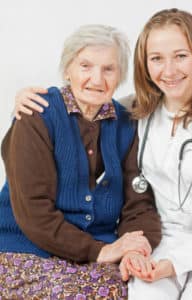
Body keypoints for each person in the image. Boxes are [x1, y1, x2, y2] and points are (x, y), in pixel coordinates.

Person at [12, 8, 192, 300]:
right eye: (157, 58)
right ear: (144, 65)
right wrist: (29, 101)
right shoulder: (141, 110)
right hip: (163, 240)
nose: (169, 71)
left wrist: (170, 265)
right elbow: (91, 101)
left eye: (181, 56)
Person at [0, 24, 162, 299]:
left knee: (133, 288)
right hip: (25, 247)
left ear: (120, 75)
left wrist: (135, 246)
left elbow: (139, 201)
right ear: (68, 70)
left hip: (94, 253)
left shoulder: (126, 125)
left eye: (108, 69)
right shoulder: (37, 114)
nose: (96, 79)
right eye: (85, 66)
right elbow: (34, 210)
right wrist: (100, 251)